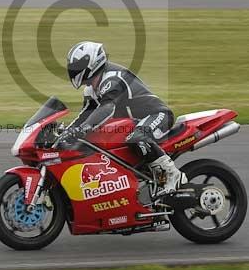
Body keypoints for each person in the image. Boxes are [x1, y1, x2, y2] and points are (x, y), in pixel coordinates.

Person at [56, 41, 185, 196]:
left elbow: (107, 109)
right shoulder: (91, 89)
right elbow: (85, 115)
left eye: (78, 65)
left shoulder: (112, 78)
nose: (73, 70)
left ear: (92, 62)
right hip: (134, 122)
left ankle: (172, 175)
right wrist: (67, 133)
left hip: (157, 115)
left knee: (136, 138)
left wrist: (83, 128)